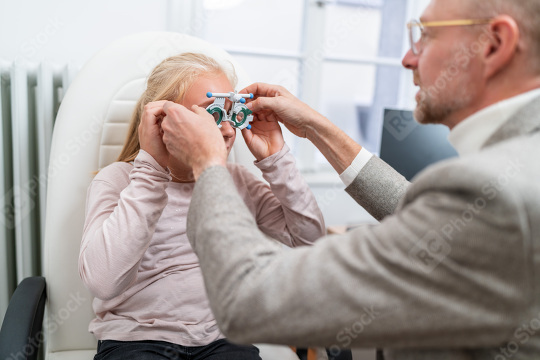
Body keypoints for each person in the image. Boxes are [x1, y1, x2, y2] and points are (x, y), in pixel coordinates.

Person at [157, 0, 540, 359]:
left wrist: (207, 162)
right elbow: (428, 215)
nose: (408, 58)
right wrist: (316, 127)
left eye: (426, 35)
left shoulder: (496, 194)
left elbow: (249, 298)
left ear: (494, 44)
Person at [78, 52, 326, 360]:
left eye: (228, 114)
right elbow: (103, 281)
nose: (224, 130)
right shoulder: (118, 181)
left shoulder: (235, 181)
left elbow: (312, 241)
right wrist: (151, 170)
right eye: (208, 117)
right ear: (159, 122)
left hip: (223, 339)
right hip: (137, 340)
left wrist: (276, 159)